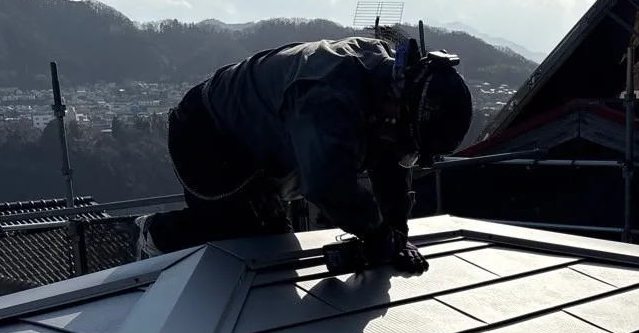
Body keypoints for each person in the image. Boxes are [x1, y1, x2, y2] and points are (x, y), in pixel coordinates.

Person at [134, 32, 474, 273]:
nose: (403, 152)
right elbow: (327, 184)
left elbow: (389, 160)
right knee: (238, 243)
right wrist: (378, 234)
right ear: (400, 105)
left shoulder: (391, 86)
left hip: (256, 145)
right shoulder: (329, 97)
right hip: (206, 134)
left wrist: (396, 230)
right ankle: (155, 233)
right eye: (408, 145)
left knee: (276, 248)